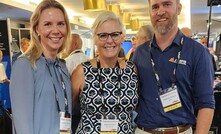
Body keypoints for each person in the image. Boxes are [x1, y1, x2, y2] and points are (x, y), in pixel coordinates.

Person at [133, 0, 215, 134]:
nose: (160, 11)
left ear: (178, 8)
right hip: (144, 131)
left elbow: (206, 103)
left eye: (166, 4)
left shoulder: (198, 52)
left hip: (180, 131)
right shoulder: (140, 53)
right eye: (155, 7)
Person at [9, 0, 72, 134]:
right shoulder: (25, 65)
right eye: (48, 24)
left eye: (61, 24)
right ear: (37, 28)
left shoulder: (62, 67)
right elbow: (22, 126)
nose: (56, 31)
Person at [71, 11, 138, 134]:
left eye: (115, 34)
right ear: (95, 39)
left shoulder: (131, 69)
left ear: (122, 38)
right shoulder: (82, 71)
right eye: (103, 35)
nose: (109, 41)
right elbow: (67, 110)